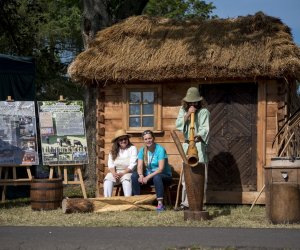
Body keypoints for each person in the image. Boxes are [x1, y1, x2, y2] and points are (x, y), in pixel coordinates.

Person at [175, 87, 210, 210]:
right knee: (186, 177)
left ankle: (201, 203)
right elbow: (178, 125)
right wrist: (188, 114)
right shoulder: (182, 110)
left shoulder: (204, 111)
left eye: (195, 102)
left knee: (201, 176)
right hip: (186, 146)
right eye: (190, 102)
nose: (193, 104)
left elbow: (205, 128)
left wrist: (198, 136)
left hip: (198, 146)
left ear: (199, 101)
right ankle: (186, 203)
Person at [131, 130, 172, 211]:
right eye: (145, 139)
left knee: (157, 177)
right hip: (149, 177)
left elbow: (160, 169)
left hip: (163, 176)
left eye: (149, 138)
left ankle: (160, 204)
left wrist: (147, 177)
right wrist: (141, 175)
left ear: (153, 138)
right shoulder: (143, 150)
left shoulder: (160, 149)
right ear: (143, 140)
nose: (148, 141)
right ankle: (137, 202)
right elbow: (139, 166)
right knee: (134, 176)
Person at [103, 129, 137, 197]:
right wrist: (114, 173)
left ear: (128, 139)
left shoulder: (132, 148)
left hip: (128, 172)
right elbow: (111, 164)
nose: (123, 141)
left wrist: (123, 173)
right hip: (116, 172)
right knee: (107, 179)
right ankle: (107, 200)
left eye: (125, 139)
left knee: (126, 180)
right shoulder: (113, 151)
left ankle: (128, 201)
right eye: (121, 140)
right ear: (117, 141)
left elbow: (133, 164)